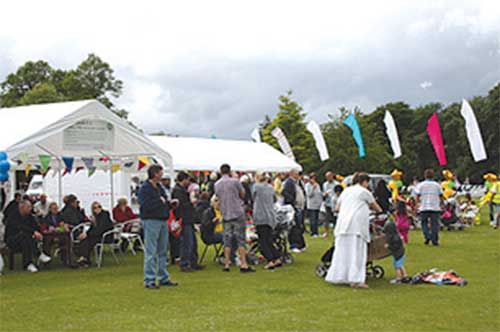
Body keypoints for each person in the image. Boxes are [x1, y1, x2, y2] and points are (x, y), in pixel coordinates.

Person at [325, 173, 382, 289]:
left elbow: (337, 208)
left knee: (343, 252)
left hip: (343, 224)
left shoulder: (346, 191)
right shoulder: (364, 191)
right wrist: (375, 210)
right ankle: (356, 280)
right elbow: (376, 207)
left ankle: (340, 276)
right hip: (356, 225)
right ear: (364, 182)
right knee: (357, 252)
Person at [138, 165, 179, 289]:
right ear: (155, 173)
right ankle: (149, 279)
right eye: (161, 172)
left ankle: (163, 277)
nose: (162, 175)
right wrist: (159, 202)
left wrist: (169, 204)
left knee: (163, 250)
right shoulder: (145, 188)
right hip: (151, 220)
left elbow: (164, 201)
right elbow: (145, 205)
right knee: (151, 251)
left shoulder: (159, 187)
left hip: (162, 219)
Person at [214, 163, 255, 273]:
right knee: (240, 239)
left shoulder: (217, 184)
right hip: (237, 212)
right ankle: (243, 264)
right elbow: (242, 194)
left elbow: (217, 197)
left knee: (227, 240)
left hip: (225, 213)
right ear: (230, 171)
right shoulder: (235, 182)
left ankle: (227, 263)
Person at [4, 200, 52, 272]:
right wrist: (33, 232)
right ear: (21, 207)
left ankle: (28, 264)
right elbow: (20, 227)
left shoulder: (30, 216)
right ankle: (38, 254)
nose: (30, 208)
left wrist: (39, 232)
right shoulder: (13, 216)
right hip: (12, 240)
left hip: (25, 240)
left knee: (26, 239)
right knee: (24, 235)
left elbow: (35, 227)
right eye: (28, 207)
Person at [172, 171, 204, 272]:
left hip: (189, 219)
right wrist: (191, 203)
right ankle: (184, 264)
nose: (189, 182)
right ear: (184, 180)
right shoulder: (178, 191)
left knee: (193, 242)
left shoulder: (182, 190)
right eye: (187, 180)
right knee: (187, 243)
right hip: (184, 219)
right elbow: (179, 206)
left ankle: (193, 262)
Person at [252, 173, 282, 270]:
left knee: (263, 241)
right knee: (268, 239)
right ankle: (276, 257)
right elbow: (274, 199)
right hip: (270, 216)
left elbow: (252, 197)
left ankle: (269, 260)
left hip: (261, 216)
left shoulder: (256, 186)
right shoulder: (270, 187)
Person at [76, 202, 114, 267]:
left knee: (88, 240)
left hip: (106, 236)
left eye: (99, 207)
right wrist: (85, 234)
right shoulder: (95, 217)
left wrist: (87, 234)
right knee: (85, 240)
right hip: (97, 235)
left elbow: (100, 229)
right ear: (93, 209)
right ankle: (85, 259)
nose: (98, 209)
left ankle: (84, 258)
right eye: (95, 208)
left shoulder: (105, 215)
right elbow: (92, 229)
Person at [415, 169, 444, 246]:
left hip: (424, 206)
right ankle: (435, 240)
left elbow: (417, 196)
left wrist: (417, 204)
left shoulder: (420, 185)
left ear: (425, 176)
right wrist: (442, 204)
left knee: (424, 223)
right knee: (434, 224)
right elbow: (441, 196)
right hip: (435, 207)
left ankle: (427, 235)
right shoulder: (437, 185)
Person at [282, 169, 306, 253]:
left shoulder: (298, 182)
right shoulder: (289, 183)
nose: (298, 175)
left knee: (300, 226)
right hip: (294, 208)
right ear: (292, 174)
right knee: (294, 227)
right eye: (296, 174)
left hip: (300, 207)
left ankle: (301, 244)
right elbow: (286, 193)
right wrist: (292, 203)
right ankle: (294, 245)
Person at [383, 219, 407, 284]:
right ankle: (405, 276)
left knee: (397, 267)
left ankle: (398, 278)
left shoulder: (394, 238)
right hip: (401, 253)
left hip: (398, 254)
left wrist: (388, 246)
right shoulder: (397, 236)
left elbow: (395, 247)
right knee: (400, 265)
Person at [306, 173, 323, 237]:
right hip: (311, 205)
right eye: (312, 178)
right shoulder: (308, 185)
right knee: (312, 219)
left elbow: (319, 193)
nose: (313, 179)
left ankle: (316, 232)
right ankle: (313, 232)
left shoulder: (317, 184)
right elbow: (309, 194)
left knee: (316, 219)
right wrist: (313, 187)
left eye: (314, 178)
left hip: (317, 205)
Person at [322, 172, 339, 238]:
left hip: (335, 203)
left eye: (329, 176)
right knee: (327, 218)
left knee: (335, 218)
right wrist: (325, 195)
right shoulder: (325, 184)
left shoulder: (336, 184)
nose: (328, 178)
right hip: (327, 203)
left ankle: (336, 231)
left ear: (332, 176)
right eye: (327, 177)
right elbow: (323, 193)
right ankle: (326, 232)